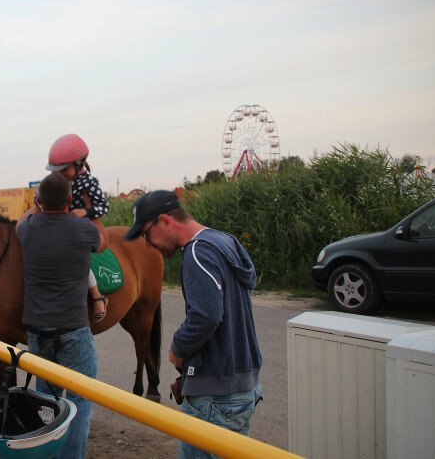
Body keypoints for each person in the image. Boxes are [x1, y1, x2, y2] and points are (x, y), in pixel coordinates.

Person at [124, 190, 264, 459]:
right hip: (243, 383)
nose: (148, 244)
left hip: (215, 395)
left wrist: (177, 347)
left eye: (146, 234)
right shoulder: (225, 241)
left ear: (165, 221)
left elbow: (206, 316)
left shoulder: (197, 253)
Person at [16, 172, 106, 459]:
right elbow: (102, 244)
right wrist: (87, 211)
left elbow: (22, 220)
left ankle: (48, 453)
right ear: (69, 199)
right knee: (79, 399)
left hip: (38, 333)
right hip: (73, 330)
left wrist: (36, 205)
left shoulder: (27, 227)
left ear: (40, 199)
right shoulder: (83, 230)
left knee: (46, 398)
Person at [45, 134, 109, 322]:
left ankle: (97, 296)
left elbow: (104, 206)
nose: (59, 173)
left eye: (63, 169)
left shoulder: (89, 182)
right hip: (62, 225)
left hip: (80, 228)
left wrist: (85, 212)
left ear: (78, 164)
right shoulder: (61, 179)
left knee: (76, 257)